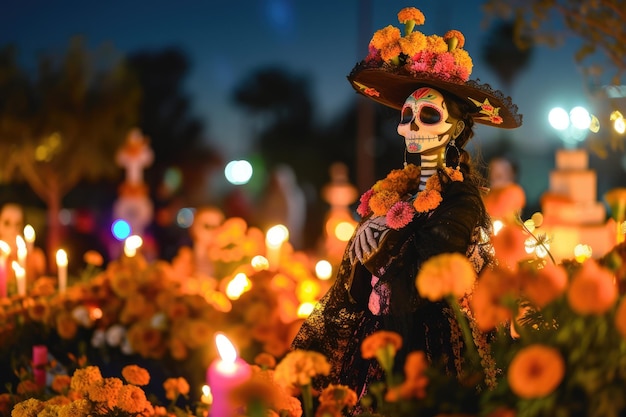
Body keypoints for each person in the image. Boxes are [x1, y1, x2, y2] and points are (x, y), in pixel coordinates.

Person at [290, 6, 522, 406]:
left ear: (452, 128)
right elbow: (365, 272)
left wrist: (382, 241)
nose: (412, 127)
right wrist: (365, 237)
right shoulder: (397, 193)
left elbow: (430, 271)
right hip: (383, 331)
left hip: (433, 340)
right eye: (407, 115)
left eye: (428, 115)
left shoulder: (461, 198)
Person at [483, 156, 526, 222]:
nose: (497, 173)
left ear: (511, 173)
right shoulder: (487, 192)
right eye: (494, 169)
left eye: (504, 169)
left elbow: (499, 212)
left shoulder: (514, 191)